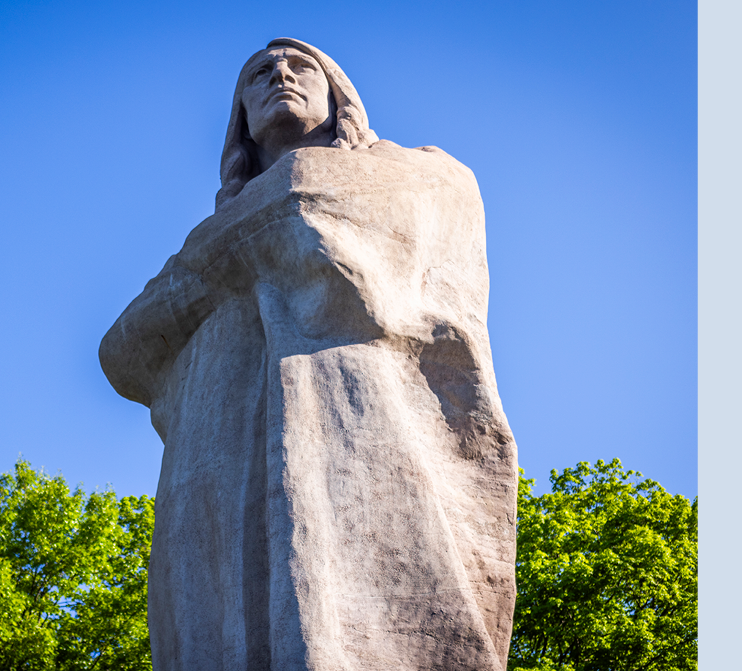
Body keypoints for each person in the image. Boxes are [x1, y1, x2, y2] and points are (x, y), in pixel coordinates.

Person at [100, 38, 517, 671]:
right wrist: (234, 253)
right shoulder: (206, 236)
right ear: (239, 114)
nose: (280, 76)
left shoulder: (421, 172)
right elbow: (122, 350)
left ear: (338, 91)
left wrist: (206, 270)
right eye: (259, 74)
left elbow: (309, 218)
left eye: (301, 66)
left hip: (358, 425)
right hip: (212, 475)